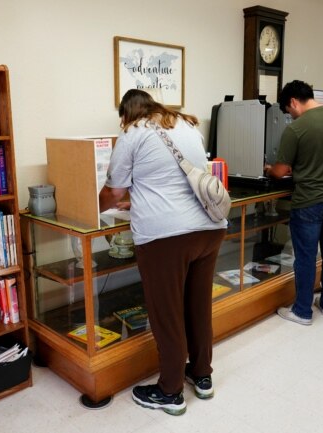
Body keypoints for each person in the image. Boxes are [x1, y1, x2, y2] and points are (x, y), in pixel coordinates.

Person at [99, 89, 227, 415]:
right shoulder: (185, 124)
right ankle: (202, 375)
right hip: (210, 229)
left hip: (167, 237)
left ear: (127, 113)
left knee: (167, 314)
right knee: (197, 306)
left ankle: (170, 391)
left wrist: (90, 205)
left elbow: (113, 194)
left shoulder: (132, 132)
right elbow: (168, 179)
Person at [265, 80, 323, 326]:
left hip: (310, 201)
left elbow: (281, 171)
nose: (289, 117)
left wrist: (271, 169)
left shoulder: (297, 128)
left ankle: (302, 311)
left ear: (293, 101)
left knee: (305, 256)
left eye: (287, 111)